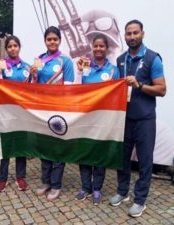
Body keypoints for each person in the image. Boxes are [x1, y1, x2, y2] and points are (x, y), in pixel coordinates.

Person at [109, 20, 166, 217]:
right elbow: (115, 84)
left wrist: (140, 85)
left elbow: (162, 89)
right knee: (122, 159)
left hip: (145, 119)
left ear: (143, 34)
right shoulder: (121, 59)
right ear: (124, 36)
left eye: (135, 33)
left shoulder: (152, 58)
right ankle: (122, 192)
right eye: (128, 34)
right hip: (125, 118)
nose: (132, 37)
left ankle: (140, 200)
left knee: (145, 161)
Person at [30, 26, 74, 201]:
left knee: (57, 148)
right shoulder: (39, 59)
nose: (52, 42)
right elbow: (34, 86)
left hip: (59, 110)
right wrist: (33, 76)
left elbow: (69, 88)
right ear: (45, 41)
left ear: (60, 40)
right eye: (49, 39)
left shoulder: (66, 61)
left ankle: (56, 185)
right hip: (42, 110)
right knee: (44, 147)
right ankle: (46, 182)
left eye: (55, 39)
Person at [75, 34, 120, 205]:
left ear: (107, 48)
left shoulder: (113, 70)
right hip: (85, 119)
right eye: (96, 46)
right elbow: (77, 89)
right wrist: (79, 71)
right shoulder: (85, 66)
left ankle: (96, 189)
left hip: (103, 120)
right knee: (85, 153)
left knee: (100, 155)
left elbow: (118, 95)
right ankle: (85, 187)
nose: (99, 49)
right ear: (92, 48)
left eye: (102, 46)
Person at [0, 35, 31, 192]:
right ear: (6, 49)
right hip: (6, 113)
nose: (13, 48)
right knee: (6, 144)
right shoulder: (0, 67)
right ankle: (2, 177)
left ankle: (20, 177)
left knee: (21, 145)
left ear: (19, 47)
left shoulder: (28, 68)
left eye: (15, 45)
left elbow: (32, 90)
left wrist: (35, 76)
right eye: (10, 46)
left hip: (22, 113)